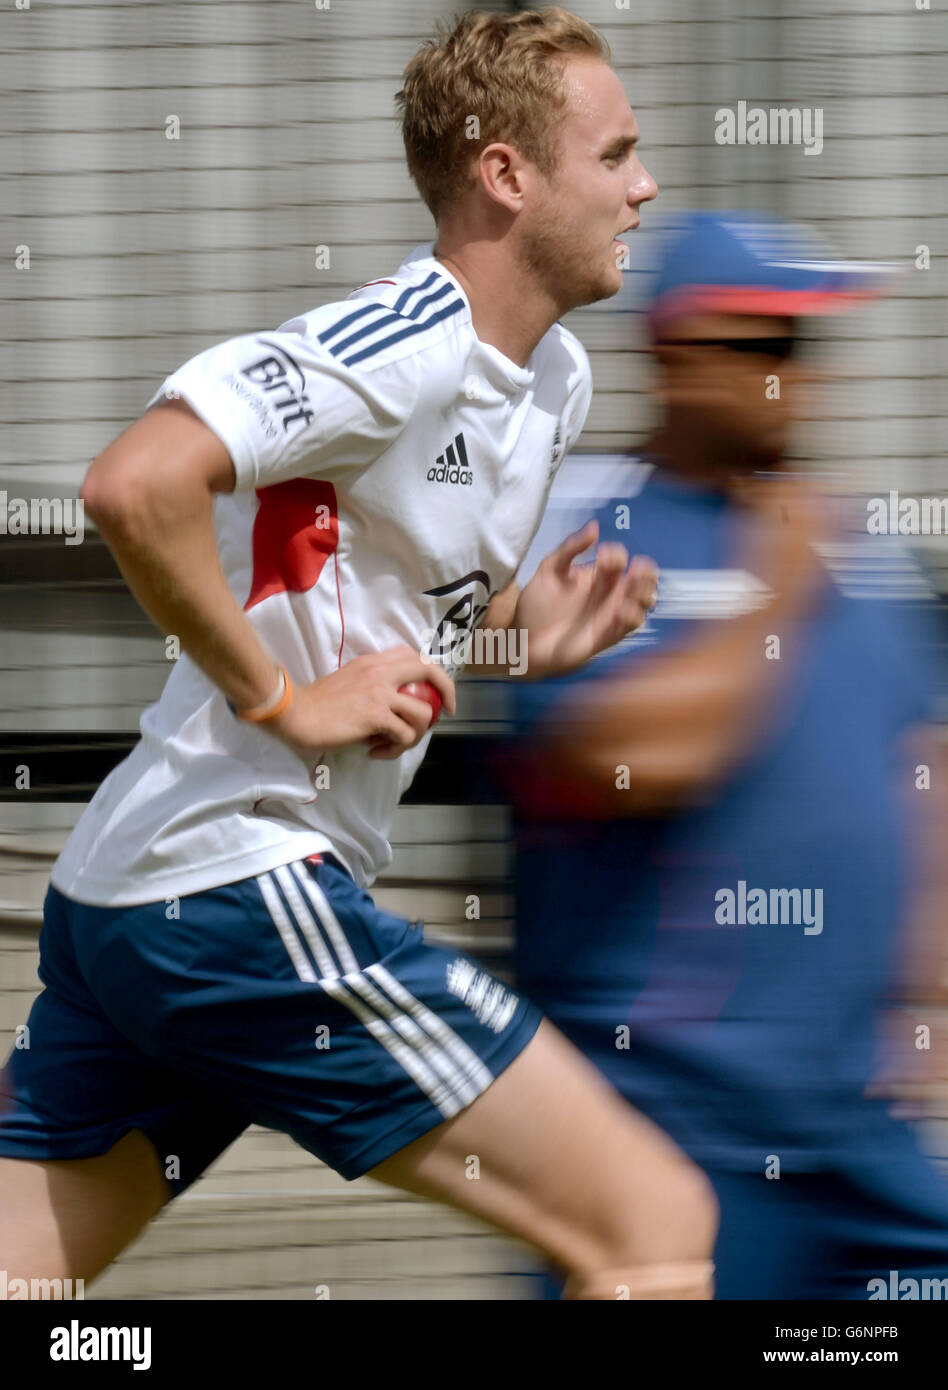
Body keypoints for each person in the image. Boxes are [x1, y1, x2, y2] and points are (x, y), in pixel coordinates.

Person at [0, 10, 720, 1302]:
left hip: (139, 900)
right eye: (616, 154)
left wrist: (519, 643)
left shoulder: (553, 380)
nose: (645, 185)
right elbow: (133, 484)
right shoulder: (404, 339)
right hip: (233, 888)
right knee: (656, 1219)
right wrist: (280, 700)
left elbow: (403, 618)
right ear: (507, 174)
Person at [511, 210, 948, 1299]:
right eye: (762, 344)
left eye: (807, 345)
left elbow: (922, 769)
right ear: (670, 351)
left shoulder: (867, 550)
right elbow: (623, 756)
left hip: (859, 1134)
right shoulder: (590, 532)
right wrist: (780, 586)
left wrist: (929, 1013)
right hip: (668, 1134)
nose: (793, 376)